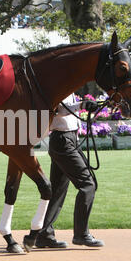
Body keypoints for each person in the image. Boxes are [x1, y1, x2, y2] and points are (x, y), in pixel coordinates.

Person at [34, 94, 104, 248]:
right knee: (88, 185)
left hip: (68, 139)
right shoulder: (58, 84)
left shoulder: (69, 88)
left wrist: (86, 105)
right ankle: (81, 234)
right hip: (63, 140)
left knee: (58, 190)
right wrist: (82, 105)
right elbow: (59, 109)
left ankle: (44, 235)